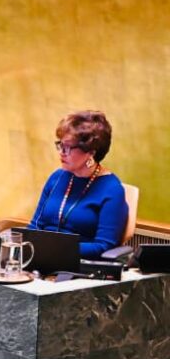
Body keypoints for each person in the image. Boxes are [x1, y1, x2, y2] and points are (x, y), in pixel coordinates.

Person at [28, 111, 128, 259]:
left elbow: (103, 246)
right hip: (41, 257)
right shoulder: (57, 177)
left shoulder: (112, 190)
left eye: (68, 147)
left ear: (91, 152)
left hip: (78, 264)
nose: (62, 152)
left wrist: (55, 249)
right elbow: (35, 226)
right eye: (60, 145)